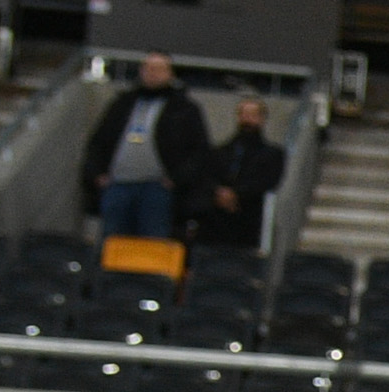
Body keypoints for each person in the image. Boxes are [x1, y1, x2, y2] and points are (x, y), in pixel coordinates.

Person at [78, 52, 208, 243]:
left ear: (170, 74)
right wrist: (97, 174)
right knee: (113, 243)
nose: (152, 74)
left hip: (156, 189)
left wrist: (177, 179)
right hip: (118, 186)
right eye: (148, 68)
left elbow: (199, 152)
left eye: (158, 69)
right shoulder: (122, 103)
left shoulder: (184, 109)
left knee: (152, 243)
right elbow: (98, 142)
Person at [184, 97, 285, 251]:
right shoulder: (219, 152)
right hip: (215, 220)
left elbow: (267, 180)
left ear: (262, 119)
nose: (247, 119)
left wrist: (236, 194)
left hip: (249, 219)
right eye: (243, 114)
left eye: (252, 114)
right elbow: (205, 176)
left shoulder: (273, 154)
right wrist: (219, 193)